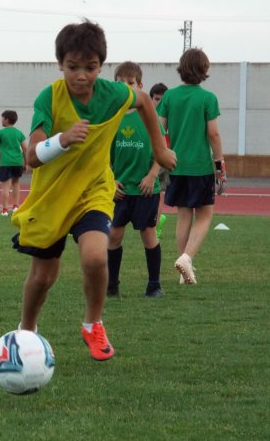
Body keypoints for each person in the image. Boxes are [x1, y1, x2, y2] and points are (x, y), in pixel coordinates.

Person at [11, 20, 176, 361]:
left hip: (94, 192)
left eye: (90, 67)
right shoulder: (50, 97)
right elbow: (32, 156)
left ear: (101, 67)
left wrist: (159, 151)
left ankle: (93, 323)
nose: (82, 75)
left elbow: (145, 101)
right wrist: (63, 139)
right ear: (61, 64)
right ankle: (26, 332)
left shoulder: (113, 94)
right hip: (52, 197)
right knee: (42, 277)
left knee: (95, 256)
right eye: (73, 67)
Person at [156, 48, 226, 285]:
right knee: (205, 215)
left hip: (176, 165)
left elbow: (159, 129)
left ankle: (183, 271)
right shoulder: (208, 98)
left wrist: (162, 156)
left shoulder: (169, 97)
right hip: (200, 167)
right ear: (204, 70)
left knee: (184, 214)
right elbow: (214, 135)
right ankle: (186, 258)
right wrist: (220, 167)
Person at [107, 62, 164, 299]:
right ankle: (111, 286)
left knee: (148, 235)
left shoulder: (151, 118)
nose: (125, 87)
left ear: (140, 86)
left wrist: (152, 175)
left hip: (145, 190)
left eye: (130, 83)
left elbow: (162, 154)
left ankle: (154, 285)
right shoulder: (110, 119)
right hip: (120, 190)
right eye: (120, 83)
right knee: (114, 237)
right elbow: (101, 157)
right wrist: (111, 181)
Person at [0, 110, 28, 216]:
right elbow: (25, 149)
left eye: (2, 118)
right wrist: (26, 163)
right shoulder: (19, 133)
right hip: (18, 162)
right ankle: (15, 206)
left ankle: (5, 210)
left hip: (6, 162)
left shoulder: (0, 133)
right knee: (16, 183)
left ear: (7, 119)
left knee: (6, 186)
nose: (1, 120)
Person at [149, 83, 170, 239]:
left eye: (162, 99)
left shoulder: (170, 113)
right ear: (151, 99)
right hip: (146, 154)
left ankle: (156, 225)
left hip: (163, 155)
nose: (159, 102)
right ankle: (155, 219)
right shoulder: (146, 113)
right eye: (157, 99)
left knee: (160, 190)